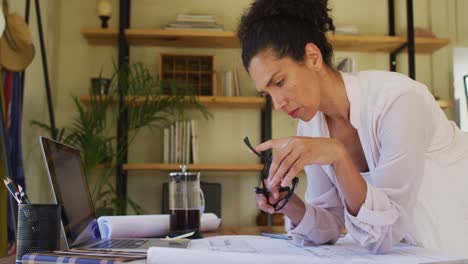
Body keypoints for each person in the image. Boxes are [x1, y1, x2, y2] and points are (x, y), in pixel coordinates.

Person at [237, 0, 468, 255]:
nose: (277, 103)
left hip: (456, 248)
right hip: (411, 257)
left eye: (280, 81)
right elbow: (329, 226)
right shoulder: (312, 127)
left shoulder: (399, 102)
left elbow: (384, 234)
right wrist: (287, 203)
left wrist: (337, 155)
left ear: (313, 57)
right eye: (267, 93)